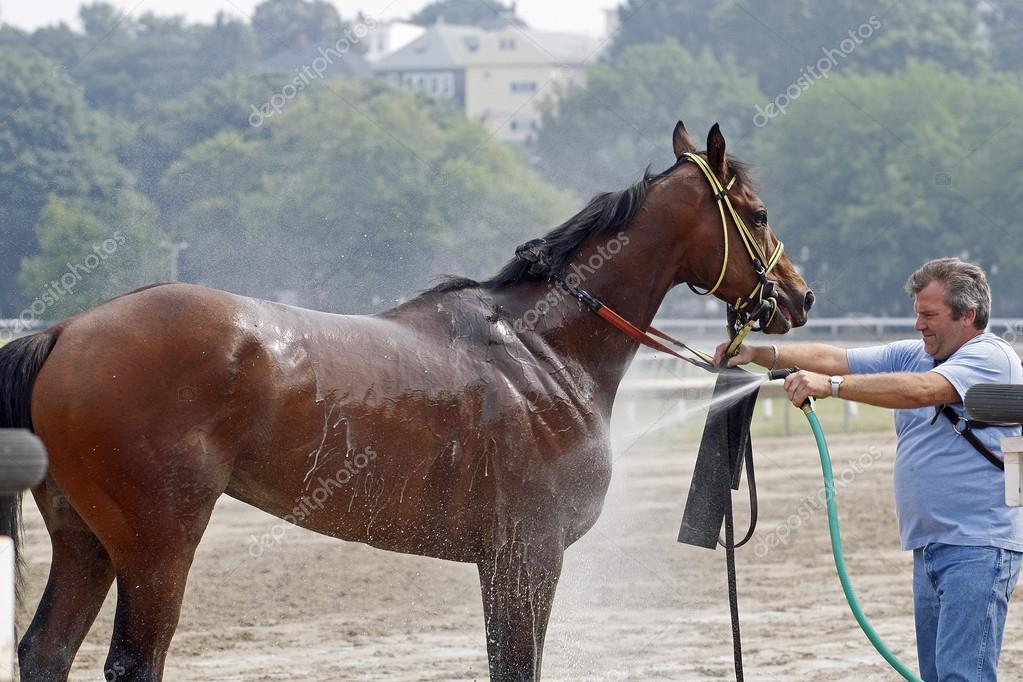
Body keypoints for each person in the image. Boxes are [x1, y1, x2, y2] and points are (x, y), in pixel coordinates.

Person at [716, 257, 1023, 681]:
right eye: (917, 314)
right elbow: (837, 357)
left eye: (929, 315)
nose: (919, 325)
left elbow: (922, 391)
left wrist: (833, 388)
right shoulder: (916, 353)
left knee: (962, 676)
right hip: (933, 546)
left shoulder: (990, 355)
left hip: (979, 546)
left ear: (967, 315)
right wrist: (760, 353)